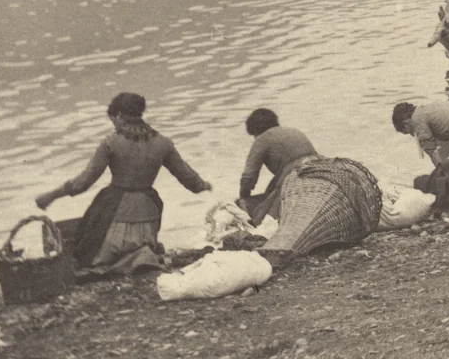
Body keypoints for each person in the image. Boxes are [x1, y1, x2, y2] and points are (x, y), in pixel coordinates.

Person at [35, 92, 212, 277]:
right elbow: (188, 178)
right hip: (148, 210)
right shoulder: (163, 143)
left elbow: (83, 183)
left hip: (115, 205)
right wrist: (204, 185)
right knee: (148, 206)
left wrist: (51, 195)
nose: (114, 125)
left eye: (113, 120)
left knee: (86, 243)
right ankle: (142, 252)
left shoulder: (110, 143)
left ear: (119, 115)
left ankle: (117, 255)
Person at [237, 108, 317, 225]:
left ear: (255, 130)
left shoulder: (262, 139)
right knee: (271, 191)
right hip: (317, 168)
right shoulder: (294, 131)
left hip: (295, 175)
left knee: (254, 209)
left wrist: (243, 199)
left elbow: (248, 177)